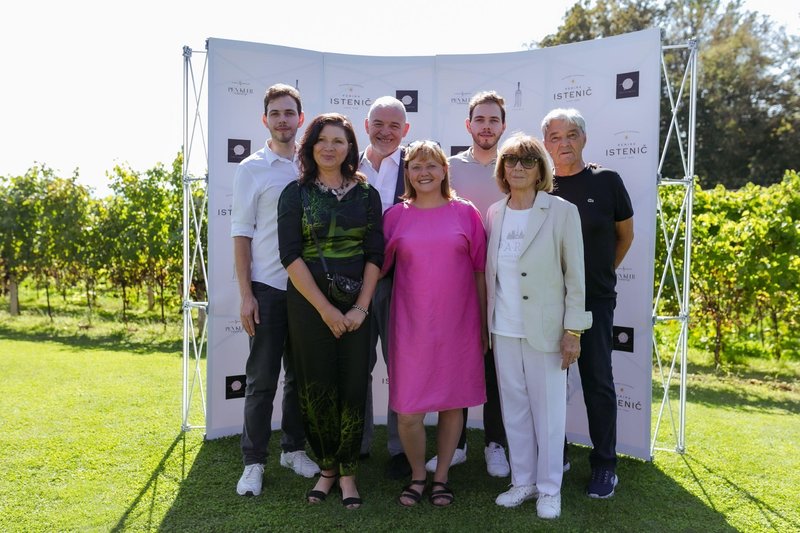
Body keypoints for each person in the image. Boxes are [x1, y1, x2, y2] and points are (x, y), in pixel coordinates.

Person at [277, 112, 384, 509]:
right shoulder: (295, 194)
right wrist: (324, 309)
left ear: (350, 148)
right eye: (322, 139)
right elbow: (290, 254)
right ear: (310, 145)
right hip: (308, 306)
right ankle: (327, 469)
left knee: (355, 386)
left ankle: (350, 473)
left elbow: (375, 253)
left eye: (339, 141)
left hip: (358, 304)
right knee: (317, 387)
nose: (329, 147)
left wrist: (359, 308)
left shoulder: (367, 194)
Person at [486, 133, 592, 519]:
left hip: (547, 330)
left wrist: (573, 330)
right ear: (502, 169)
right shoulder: (495, 212)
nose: (518, 167)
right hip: (503, 327)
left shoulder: (562, 211)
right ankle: (523, 481)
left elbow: (576, 276)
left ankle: (549, 488)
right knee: (513, 409)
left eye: (527, 161)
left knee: (548, 413)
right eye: (511, 161)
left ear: (540, 169)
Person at [383, 140, 488, 507]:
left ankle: (440, 476)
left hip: (458, 326)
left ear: (445, 170)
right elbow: (375, 270)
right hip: (410, 328)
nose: (424, 172)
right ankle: (417, 474)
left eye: (432, 165)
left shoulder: (467, 213)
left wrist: (484, 324)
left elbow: (479, 272)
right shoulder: (396, 216)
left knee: (452, 404)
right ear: (407, 173)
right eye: (415, 166)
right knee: (408, 413)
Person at [230, 83, 319, 497]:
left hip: (308, 292)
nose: (283, 120)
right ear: (265, 119)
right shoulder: (251, 168)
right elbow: (241, 234)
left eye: (290, 113)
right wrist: (246, 294)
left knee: (300, 379)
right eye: (275, 113)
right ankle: (253, 462)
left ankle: (293, 449)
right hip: (267, 289)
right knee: (261, 381)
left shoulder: (313, 165)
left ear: (301, 119)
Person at [541, 107, 634, 499]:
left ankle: (604, 465)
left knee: (597, 381)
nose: (564, 143)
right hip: (547, 304)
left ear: (585, 138)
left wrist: (598, 278)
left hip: (595, 302)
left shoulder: (608, 180)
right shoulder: (541, 187)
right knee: (550, 384)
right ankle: (555, 455)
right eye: (556, 136)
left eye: (572, 134)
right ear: (545, 143)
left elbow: (624, 237)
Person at [426, 90, 510, 478]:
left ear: (503, 126)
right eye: (480, 120)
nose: (487, 127)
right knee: (458, 361)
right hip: (456, 279)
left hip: (506, 278)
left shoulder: (515, 165)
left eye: (494, 120)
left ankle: (495, 442)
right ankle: (455, 445)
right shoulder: (450, 168)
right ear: (468, 125)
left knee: (496, 364)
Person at [357, 96, 412, 480]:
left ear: (405, 131)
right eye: (379, 123)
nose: (386, 131)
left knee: (400, 366)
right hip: (350, 283)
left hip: (399, 283)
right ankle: (356, 444)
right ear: (366, 125)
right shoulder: (346, 162)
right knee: (357, 365)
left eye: (394, 126)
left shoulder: (417, 167)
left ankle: (399, 449)